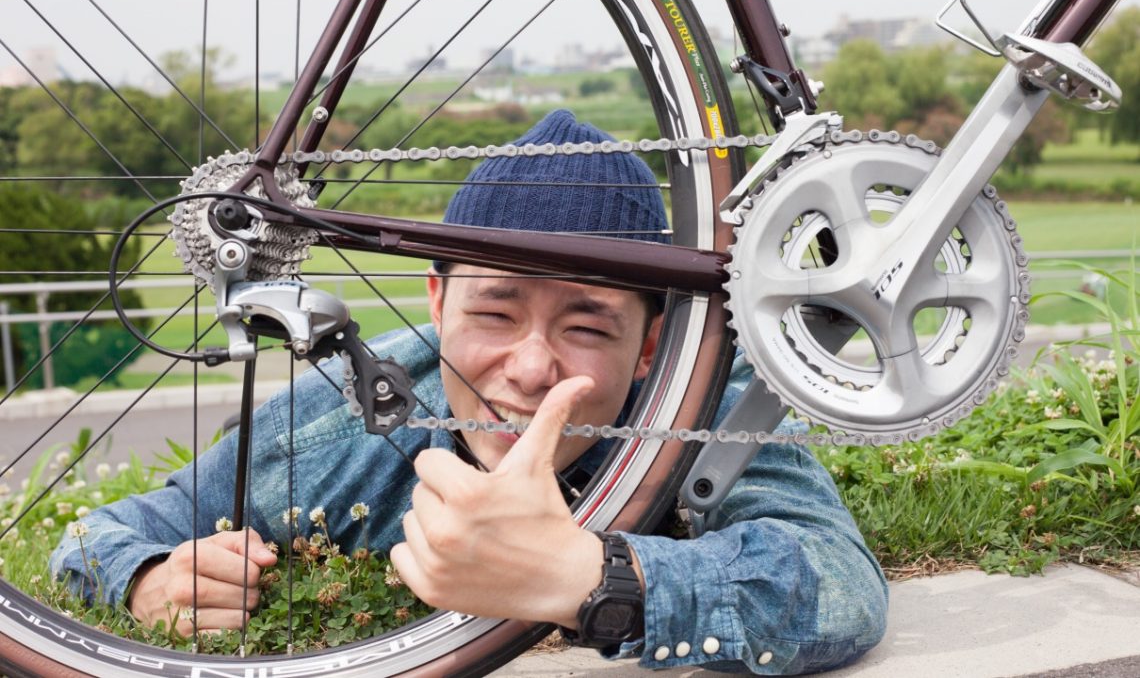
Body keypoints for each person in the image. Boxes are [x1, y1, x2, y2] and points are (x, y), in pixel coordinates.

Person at [52, 110, 887, 674]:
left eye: (588, 327)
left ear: (652, 347)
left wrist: (592, 580)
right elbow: (111, 531)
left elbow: (840, 585)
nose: (529, 369)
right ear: (438, 303)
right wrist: (148, 578)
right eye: (495, 310)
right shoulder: (335, 421)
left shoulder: (706, 401)